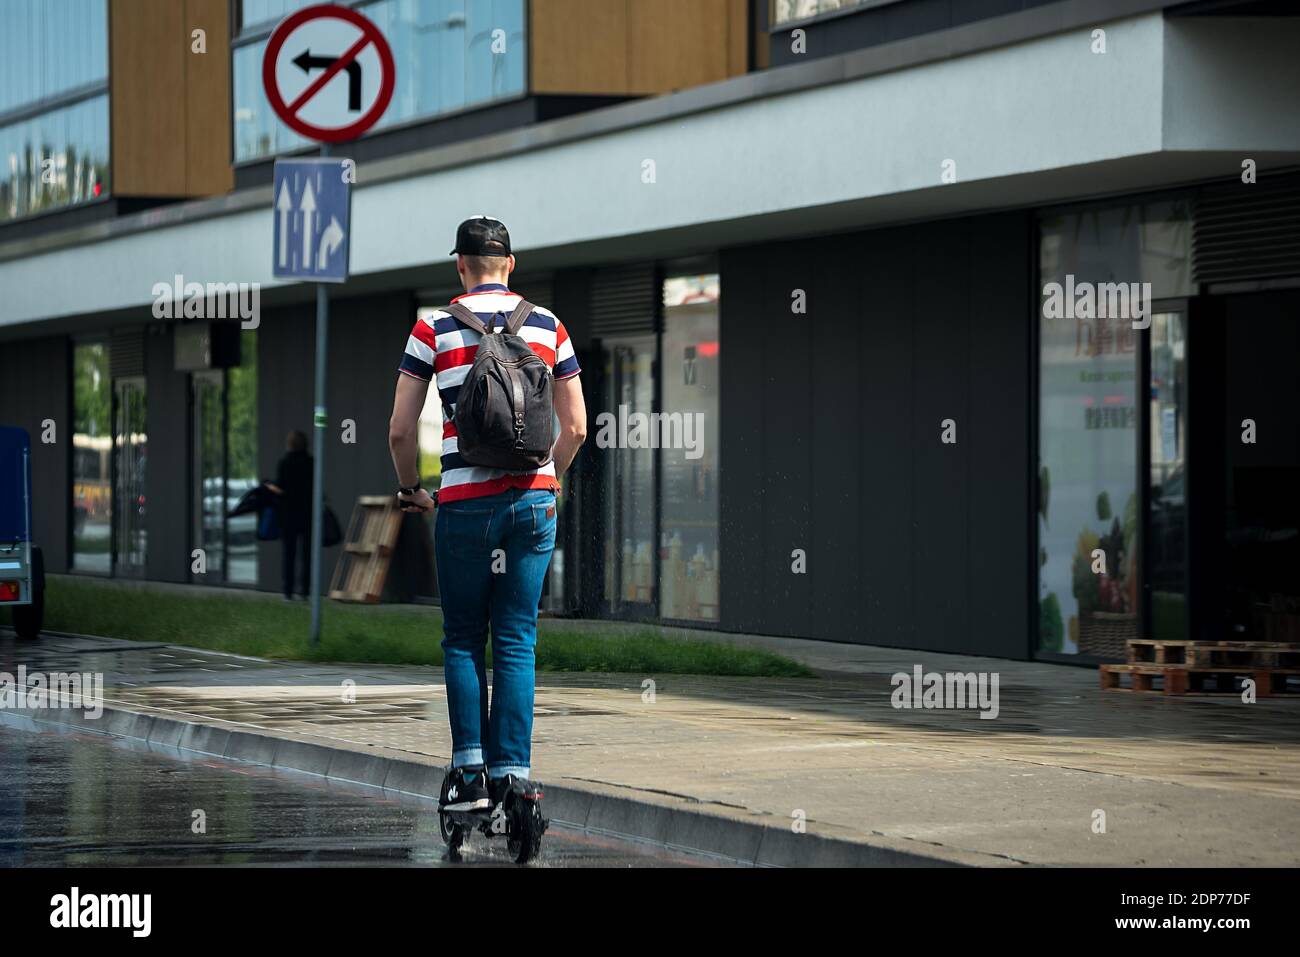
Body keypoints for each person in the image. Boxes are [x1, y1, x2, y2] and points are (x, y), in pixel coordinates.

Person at [388, 216, 587, 813]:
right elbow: (575, 425)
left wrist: (413, 491)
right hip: (531, 503)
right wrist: (546, 482)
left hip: (464, 506)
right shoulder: (550, 326)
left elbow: (400, 431)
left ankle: (470, 772)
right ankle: (515, 777)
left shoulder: (433, 326)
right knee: (519, 640)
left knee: (463, 639)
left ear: (460, 265)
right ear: (512, 265)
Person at [267, 430, 313, 601]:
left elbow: (281, 488)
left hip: (288, 514)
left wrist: (269, 487)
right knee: (306, 553)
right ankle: (305, 590)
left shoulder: (284, 463)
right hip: (307, 512)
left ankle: (287, 591)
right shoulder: (311, 462)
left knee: (289, 553)